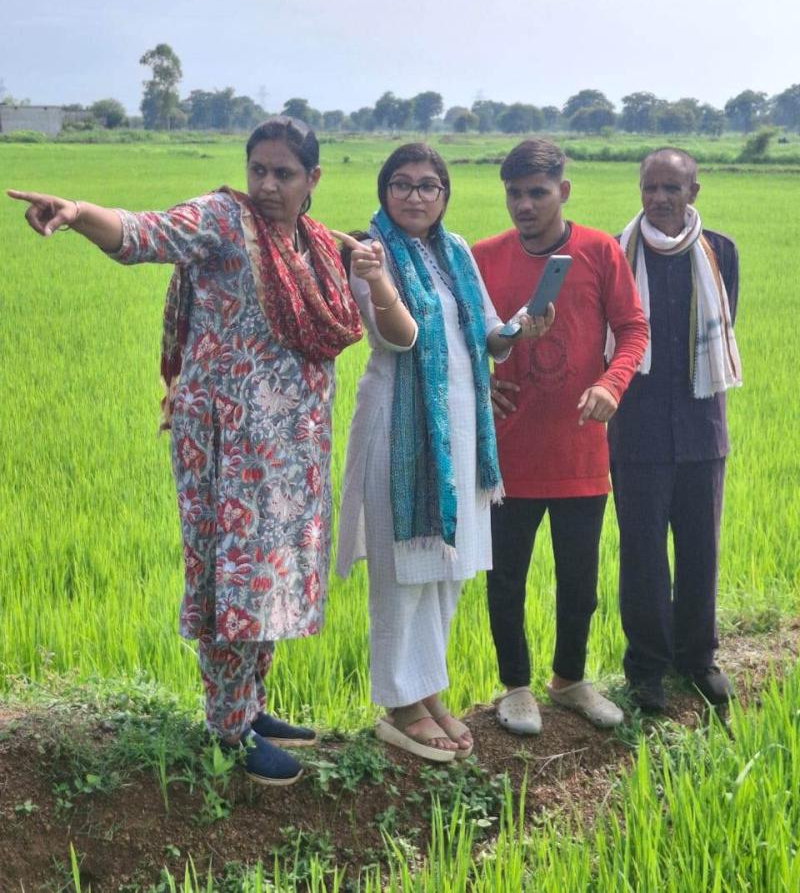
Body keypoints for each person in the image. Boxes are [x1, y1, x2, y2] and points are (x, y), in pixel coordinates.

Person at [7, 116, 362, 785]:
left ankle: (250, 704)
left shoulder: (313, 244)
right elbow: (146, 232)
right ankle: (228, 727)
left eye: (283, 173)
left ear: (312, 178)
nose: (267, 184)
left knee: (270, 577)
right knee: (234, 577)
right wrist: (79, 213)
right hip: (229, 446)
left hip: (291, 448)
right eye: (258, 169)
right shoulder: (224, 220)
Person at [335, 143, 548, 762]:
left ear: (444, 195)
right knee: (404, 569)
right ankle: (400, 705)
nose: (415, 196)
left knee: (447, 570)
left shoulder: (454, 251)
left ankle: (427, 692)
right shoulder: (369, 253)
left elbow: (488, 335)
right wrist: (377, 278)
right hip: (399, 427)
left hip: (460, 428)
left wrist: (518, 329)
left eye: (428, 185)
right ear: (384, 192)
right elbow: (397, 338)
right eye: (401, 184)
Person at [472, 139, 649, 734]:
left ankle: (569, 679)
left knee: (579, 581)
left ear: (563, 191)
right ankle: (515, 686)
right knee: (506, 579)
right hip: (510, 451)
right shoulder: (484, 258)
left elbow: (632, 328)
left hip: (579, 446)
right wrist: (481, 383)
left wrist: (611, 384)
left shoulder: (597, 250)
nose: (524, 205)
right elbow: (462, 339)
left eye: (538, 193)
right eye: (514, 193)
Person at [608, 148, 741, 713]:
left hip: (701, 426)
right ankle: (646, 669)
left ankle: (698, 658)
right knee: (641, 553)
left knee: (699, 549)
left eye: (672, 188)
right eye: (650, 187)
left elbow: (723, 329)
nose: (660, 198)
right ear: (640, 189)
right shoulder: (614, 254)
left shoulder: (721, 252)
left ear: (694, 192)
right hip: (635, 431)